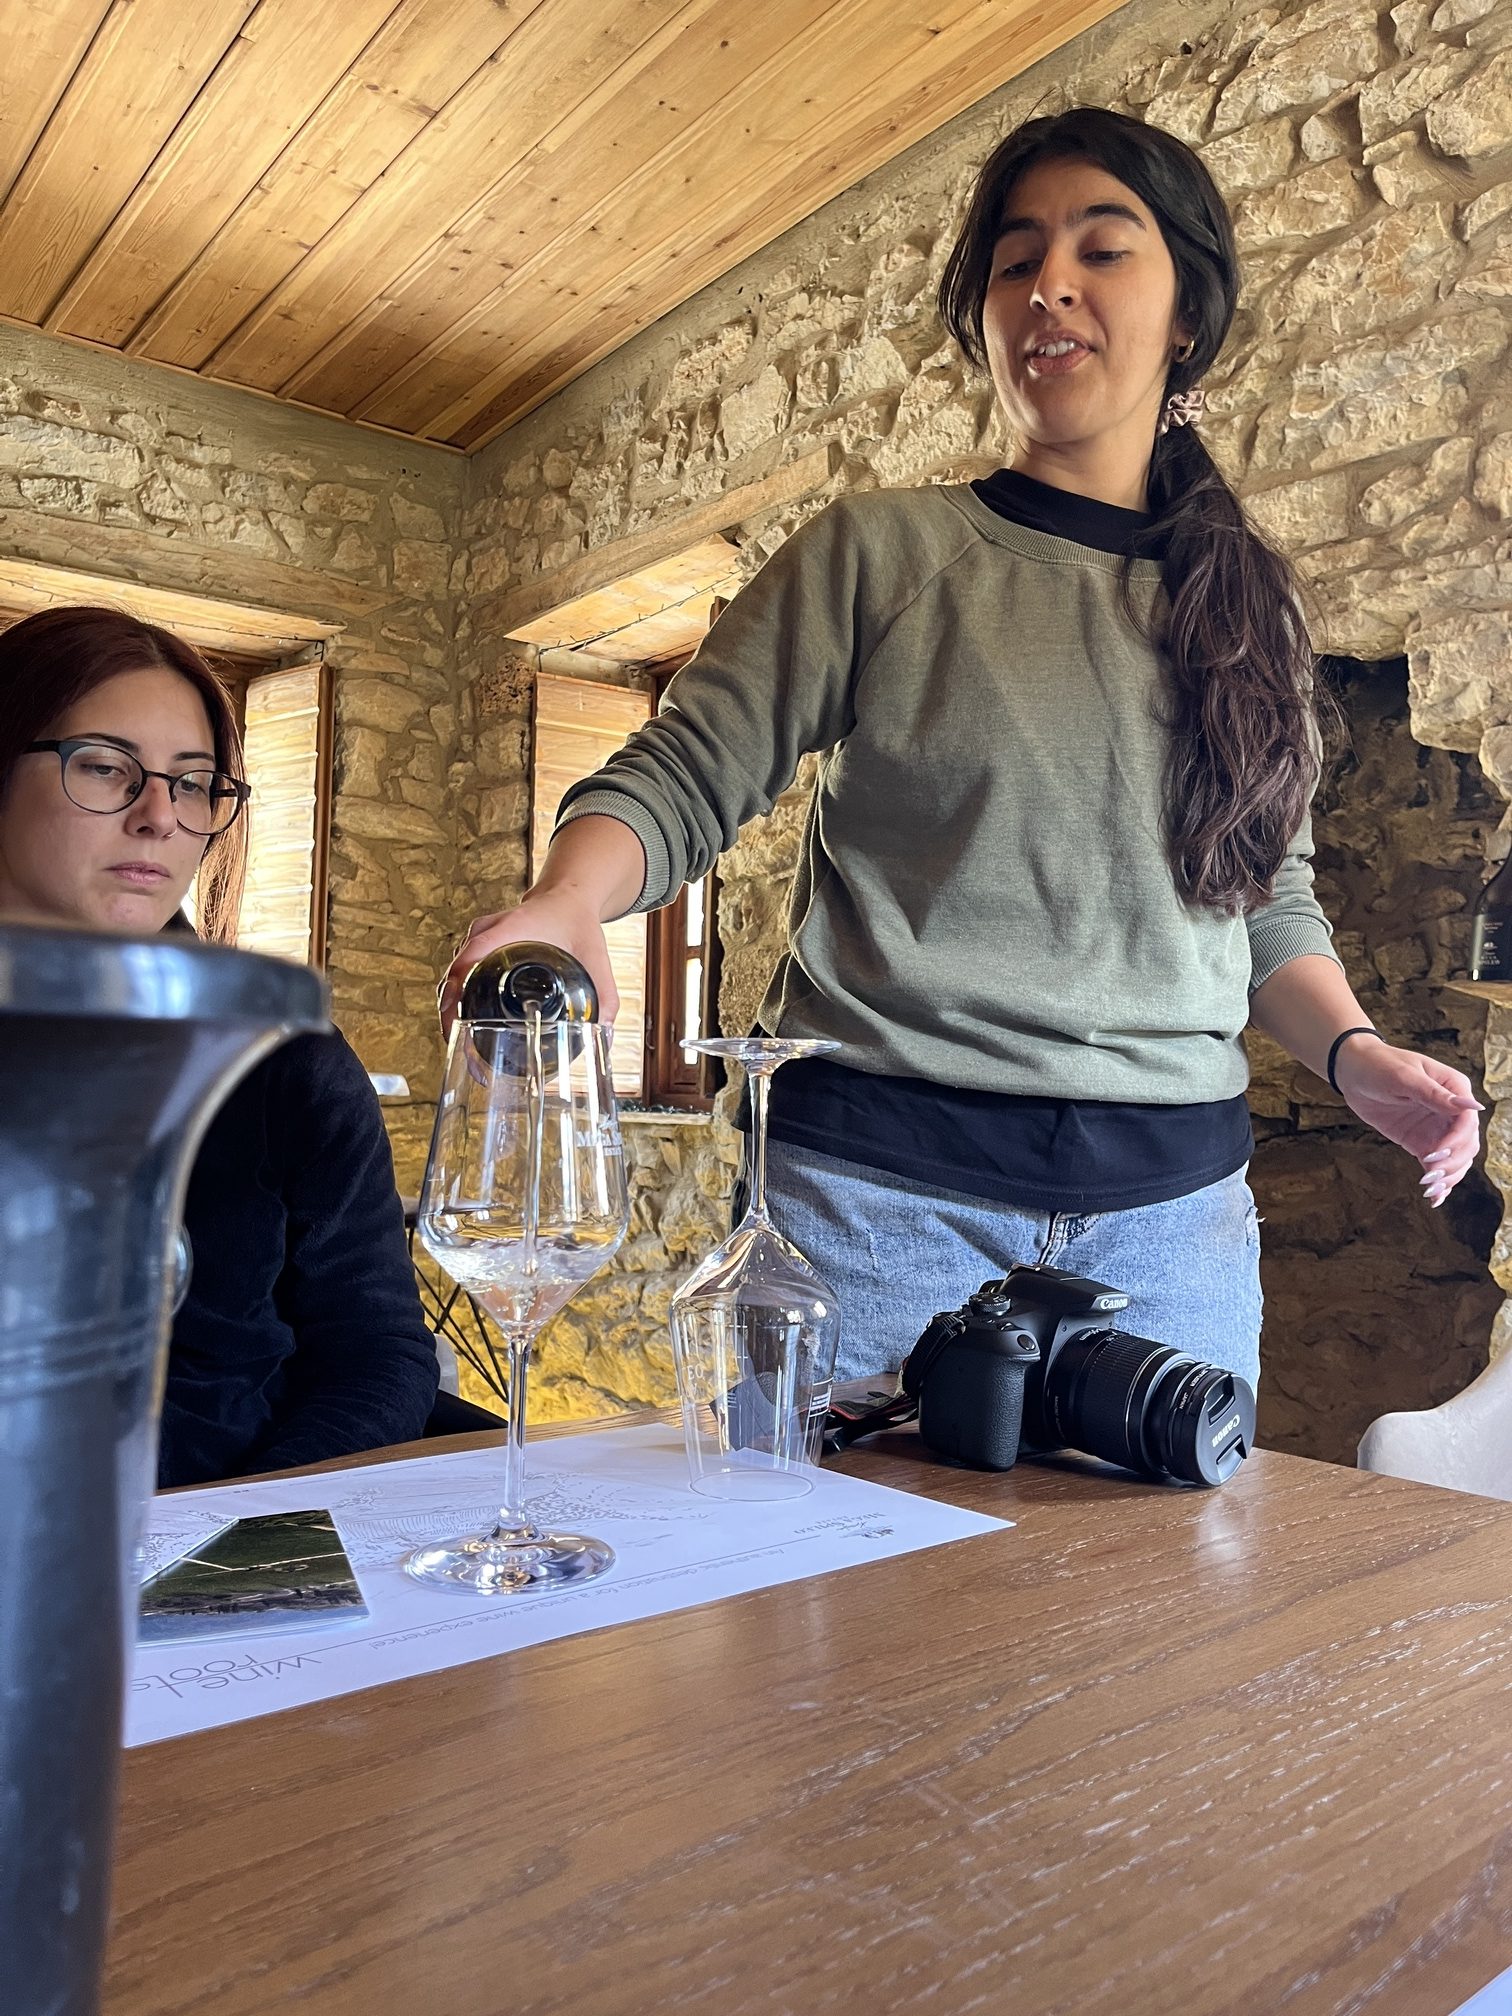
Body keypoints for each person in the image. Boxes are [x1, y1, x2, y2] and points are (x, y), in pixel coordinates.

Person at [443, 107, 1483, 1391]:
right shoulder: (880, 554)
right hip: (871, 1207)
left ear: (1188, 318)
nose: (1050, 284)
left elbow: (1264, 895)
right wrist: (567, 899)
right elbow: (685, 771)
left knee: (1171, 1542)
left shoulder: (1251, 614)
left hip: (1178, 1228)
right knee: (828, 1537)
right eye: (1015, 259)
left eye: (1103, 249)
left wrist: (1352, 1052)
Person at [0, 604, 441, 1483]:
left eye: (195, 783)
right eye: (105, 766)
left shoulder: (282, 1061)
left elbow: (376, 1353)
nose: (160, 816)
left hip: (222, 1519)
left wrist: (242, 1539)